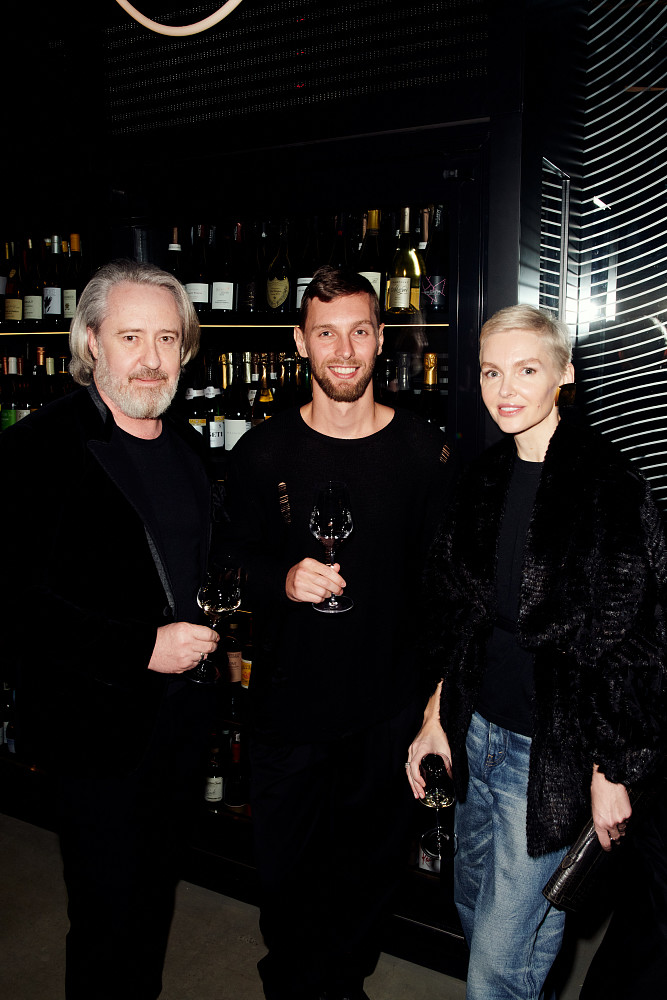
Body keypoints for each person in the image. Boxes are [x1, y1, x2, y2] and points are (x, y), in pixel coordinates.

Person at [406, 304, 667, 1000]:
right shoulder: (483, 477)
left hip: (550, 754)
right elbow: (458, 619)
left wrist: (611, 769)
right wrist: (434, 718)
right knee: (478, 919)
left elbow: (636, 644)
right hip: (475, 736)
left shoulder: (608, 486)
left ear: (564, 374)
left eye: (525, 370)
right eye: (491, 371)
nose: (505, 389)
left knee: (497, 968)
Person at [219, 265, 459, 1000]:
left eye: (359, 331)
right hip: (288, 712)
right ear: (301, 342)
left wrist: (433, 711)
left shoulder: (425, 453)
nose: (344, 350)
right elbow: (227, 563)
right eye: (326, 333)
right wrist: (280, 579)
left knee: (366, 887)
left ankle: (341, 985)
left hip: (385, 716)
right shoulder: (262, 453)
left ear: (382, 338)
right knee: (286, 887)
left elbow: (448, 594)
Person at [0, 259, 220, 1000]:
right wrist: (141, 648)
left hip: (178, 726)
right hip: (93, 731)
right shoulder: (39, 448)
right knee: (104, 921)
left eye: (167, 338)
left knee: (152, 906)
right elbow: (15, 605)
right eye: (131, 337)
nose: (151, 358)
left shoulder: (186, 448)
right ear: (91, 341)